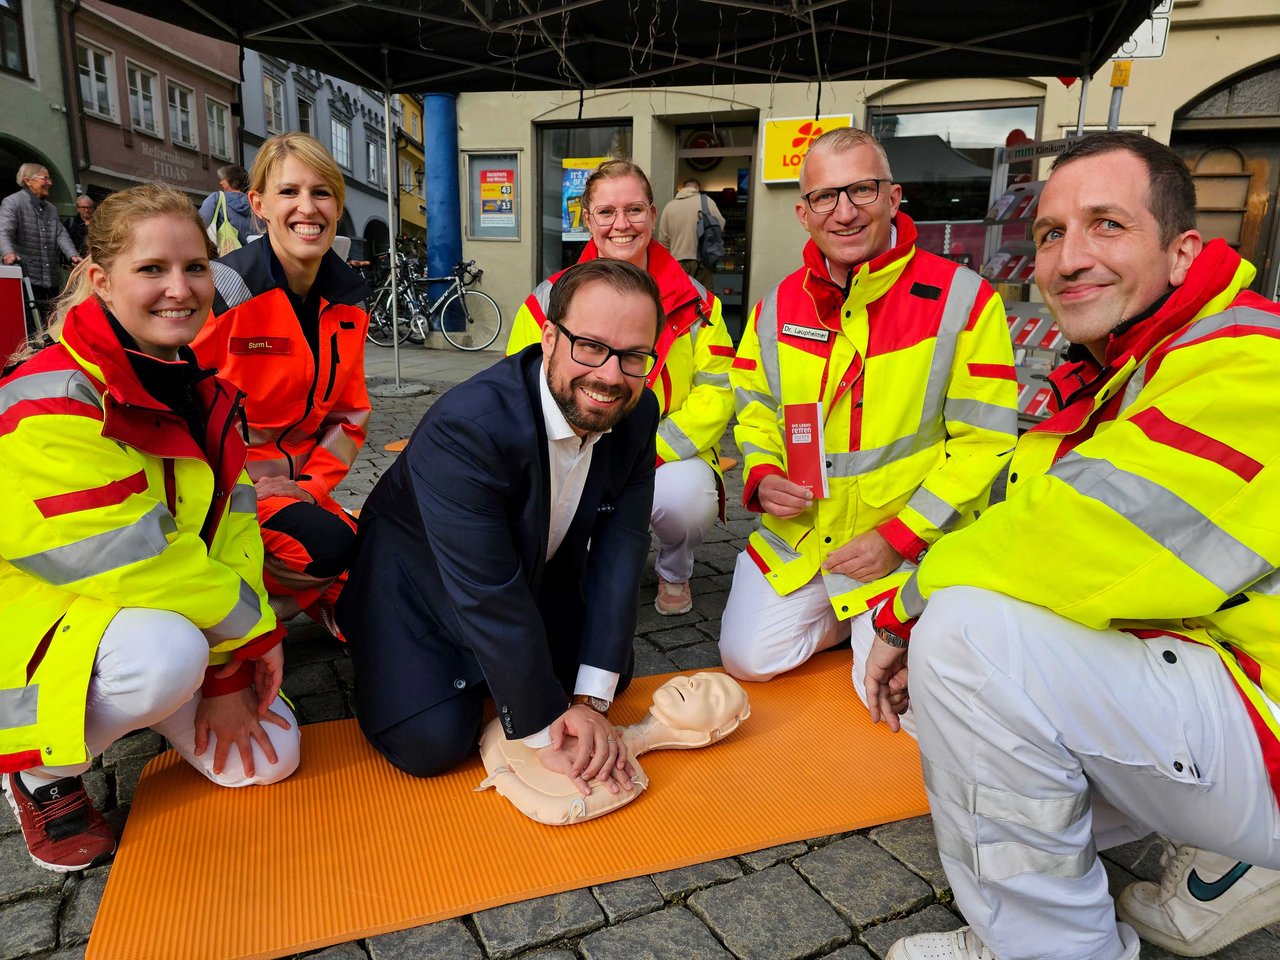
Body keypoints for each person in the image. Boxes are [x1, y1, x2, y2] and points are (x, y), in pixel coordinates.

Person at [865, 131, 1280, 960]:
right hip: (1234, 673)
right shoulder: (1131, 360)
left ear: (1181, 248)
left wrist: (906, 603)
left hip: (1263, 712)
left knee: (964, 642)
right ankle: (1222, 858)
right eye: (1052, 233)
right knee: (938, 649)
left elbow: (1078, 531)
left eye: (1107, 225)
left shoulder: (1247, 358)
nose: (1068, 257)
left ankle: (1052, 947)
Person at [0, 184, 299, 873]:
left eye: (195, 267)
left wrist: (228, 676)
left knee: (269, 761)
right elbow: (127, 557)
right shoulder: (51, 395)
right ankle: (38, 773)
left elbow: (235, 525)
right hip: (42, 620)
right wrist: (250, 634)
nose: (180, 288)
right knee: (165, 658)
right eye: (152, 270)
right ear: (101, 281)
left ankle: (166, 696)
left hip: (149, 619)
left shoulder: (197, 385)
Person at [338, 259, 662, 797]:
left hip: (529, 568)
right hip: (415, 584)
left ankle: (512, 677)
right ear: (550, 336)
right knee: (434, 741)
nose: (610, 375)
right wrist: (546, 729)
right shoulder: (469, 425)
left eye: (633, 356)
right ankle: (360, 634)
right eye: (591, 347)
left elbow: (622, 546)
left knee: (608, 673)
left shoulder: (638, 410)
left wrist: (588, 703)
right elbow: (486, 591)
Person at [720, 128, 1018, 682]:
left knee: (894, 703)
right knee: (746, 660)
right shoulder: (777, 305)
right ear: (803, 213)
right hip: (809, 541)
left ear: (892, 197)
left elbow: (987, 442)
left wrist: (898, 537)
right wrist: (761, 473)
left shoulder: (965, 299)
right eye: (825, 197)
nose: (845, 212)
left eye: (861, 190)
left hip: (906, 546)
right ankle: (841, 620)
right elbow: (754, 405)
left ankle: (863, 624)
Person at [506, 159, 736, 616]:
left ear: (652, 215)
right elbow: (520, 380)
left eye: (634, 210)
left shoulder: (698, 301)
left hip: (664, 451)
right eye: (606, 212)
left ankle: (675, 570)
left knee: (686, 500)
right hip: (576, 447)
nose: (621, 224)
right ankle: (575, 564)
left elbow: (719, 387)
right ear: (587, 218)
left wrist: (653, 449)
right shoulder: (550, 298)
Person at [192, 134, 370, 638]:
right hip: (226, 495)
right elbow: (181, 408)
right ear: (258, 205)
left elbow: (348, 416)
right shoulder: (222, 292)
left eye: (321, 193)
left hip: (299, 494)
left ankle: (311, 594)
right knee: (334, 547)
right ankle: (244, 610)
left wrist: (311, 489)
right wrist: (236, 491)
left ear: (337, 206)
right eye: (289, 192)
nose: (306, 208)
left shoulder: (350, 301)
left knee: (392, 564)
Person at [0, 163, 82, 318]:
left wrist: (73, 255)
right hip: (26, 279)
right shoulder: (13, 202)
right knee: (30, 321)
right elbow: (3, 231)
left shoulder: (51, 209)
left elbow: (60, 234)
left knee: (50, 320)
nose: (50, 183)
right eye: (45, 178)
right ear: (27, 180)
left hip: (50, 278)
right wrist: (8, 253)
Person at [658, 176, 725, 288]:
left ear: (683, 189)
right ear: (697, 188)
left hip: (677, 263)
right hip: (702, 262)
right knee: (705, 300)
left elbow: (663, 241)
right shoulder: (707, 202)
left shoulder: (669, 207)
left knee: (681, 299)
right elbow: (720, 226)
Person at [198, 164, 260, 246]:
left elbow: (199, 226)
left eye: (223, 179)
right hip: (255, 255)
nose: (220, 182)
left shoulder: (216, 198)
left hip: (225, 255)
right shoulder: (257, 203)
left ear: (233, 182)